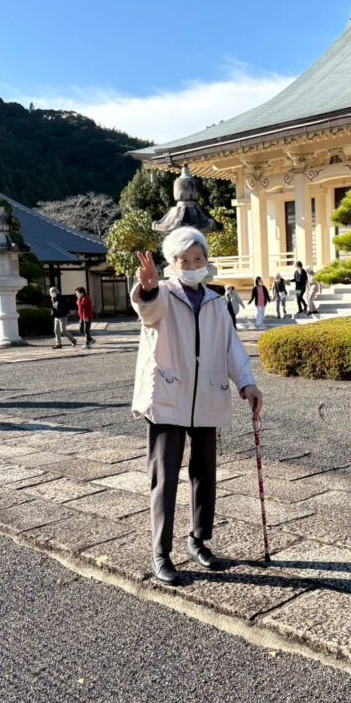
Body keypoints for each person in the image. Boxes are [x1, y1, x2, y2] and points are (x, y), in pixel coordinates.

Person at [131, 226, 263, 586]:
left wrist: (247, 382)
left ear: (206, 261)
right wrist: (146, 287)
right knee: (165, 476)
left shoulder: (216, 302)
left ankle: (198, 539)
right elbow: (148, 310)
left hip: (206, 394)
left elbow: (230, 347)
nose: (191, 264)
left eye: (197, 258)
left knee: (205, 472)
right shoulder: (163, 296)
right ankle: (161, 551)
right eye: (183, 259)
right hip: (168, 397)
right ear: (172, 264)